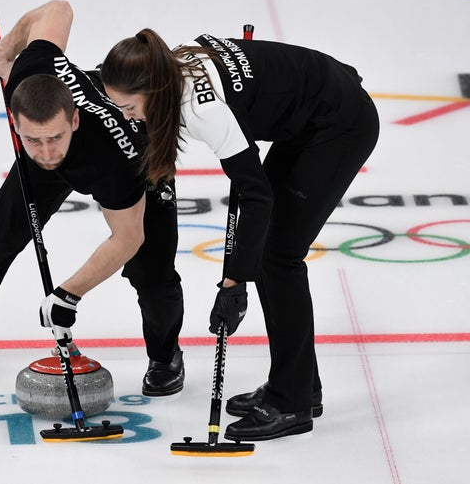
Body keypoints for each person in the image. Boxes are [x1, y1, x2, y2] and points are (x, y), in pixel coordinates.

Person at [100, 29, 379, 440]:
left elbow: (256, 195)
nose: (127, 117)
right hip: (307, 116)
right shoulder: (162, 66)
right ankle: (301, 385)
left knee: (279, 258)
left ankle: (292, 403)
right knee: (269, 251)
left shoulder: (202, 110)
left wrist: (234, 283)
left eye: (128, 107)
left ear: (153, 90)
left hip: (340, 123)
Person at [0, 1, 186, 397]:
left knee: (151, 269)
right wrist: (9, 48)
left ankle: (164, 355)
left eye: (54, 138)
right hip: (61, 134)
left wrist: (68, 294)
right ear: (15, 123)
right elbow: (57, 9)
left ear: (72, 120)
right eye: (32, 139)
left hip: (135, 155)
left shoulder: (117, 161)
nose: (47, 151)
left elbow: (127, 239)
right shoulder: (30, 73)